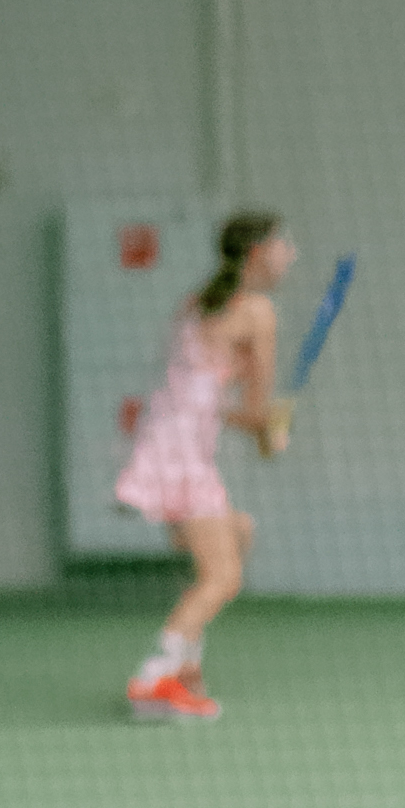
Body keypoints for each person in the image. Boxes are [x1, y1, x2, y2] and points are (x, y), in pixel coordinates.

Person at [114, 210, 297, 722]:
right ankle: (153, 679)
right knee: (223, 577)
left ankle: (185, 669)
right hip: (182, 454)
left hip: (161, 444)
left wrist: (259, 423)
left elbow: (203, 399)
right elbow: (255, 412)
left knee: (237, 534)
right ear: (259, 254)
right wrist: (270, 430)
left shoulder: (196, 303)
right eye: (284, 246)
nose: (291, 255)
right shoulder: (259, 312)